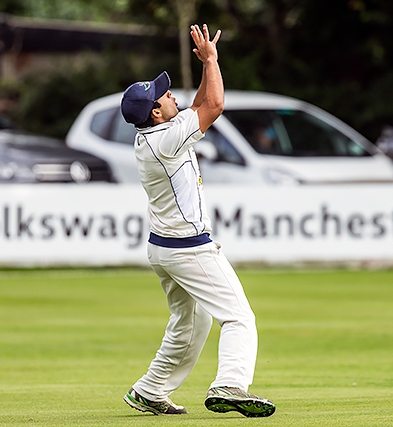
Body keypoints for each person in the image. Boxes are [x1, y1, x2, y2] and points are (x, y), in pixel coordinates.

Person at [119, 24, 275, 418]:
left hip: (165, 248)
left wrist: (208, 65)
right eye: (162, 95)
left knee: (191, 323)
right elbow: (214, 107)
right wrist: (211, 61)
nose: (170, 94)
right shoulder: (165, 140)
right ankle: (230, 384)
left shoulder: (157, 132)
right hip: (188, 249)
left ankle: (150, 390)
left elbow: (199, 105)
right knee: (238, 316)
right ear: (155, 112)